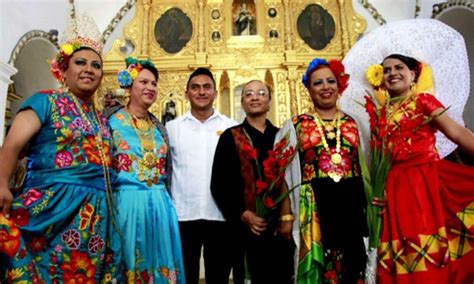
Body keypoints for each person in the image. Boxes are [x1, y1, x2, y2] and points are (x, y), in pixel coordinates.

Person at [0, 15, 123, 282]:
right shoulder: (45, 101)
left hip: (96, 216)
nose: (89, 69)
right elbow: (11, 145)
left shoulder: (101, 118)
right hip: (53, 209)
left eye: (96, 65)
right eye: (80, 63)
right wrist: (1, 184)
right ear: (64, 69)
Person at [366, 54, 474, 283]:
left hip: (425, 184)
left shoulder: (424, 101)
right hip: (395, 191)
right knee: (405, 255)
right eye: (386, 70)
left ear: (413, 74)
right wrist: (379, 190)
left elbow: (456, 133)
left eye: (399, 67)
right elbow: (378, 160)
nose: (392, 72)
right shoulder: (378, 115)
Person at [279, 58, 368, 283]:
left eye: (331, 81)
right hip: (314, 205)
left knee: (353, 264)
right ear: (309, 89)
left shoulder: (355, 123)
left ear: (340, 86)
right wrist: (286, 214)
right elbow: (284, 174)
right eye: (318, 83)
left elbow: (369, 166)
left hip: (352, 204)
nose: (325, 87)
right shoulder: (296, 124)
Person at [107, 57, 185, 283]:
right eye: (143, 82)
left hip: (160, 206)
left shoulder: (160, 127)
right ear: (129, 86)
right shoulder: (110, 121)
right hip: (125, 205)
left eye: (154, 83)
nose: (150, 88)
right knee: (128, 263)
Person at [211, 80, 295, 284]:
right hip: (244, 229)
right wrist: (243, 213)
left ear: (270, 102)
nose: (255, 97)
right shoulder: (231, 137)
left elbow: (292, 178)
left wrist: (286, 215)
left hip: (278, 229)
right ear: (242, 102)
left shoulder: (281, 137)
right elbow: (219, 184)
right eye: (248, 94)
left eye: (261, 93)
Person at [166, 68, 238, 284]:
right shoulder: (172, 128)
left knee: (219, 277)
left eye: (207, 87)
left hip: (220, 216)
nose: (201, 92)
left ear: (215, 92)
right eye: (195, 87)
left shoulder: (230, 127)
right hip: (183, 216)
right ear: (186, 93)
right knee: (184, 277)